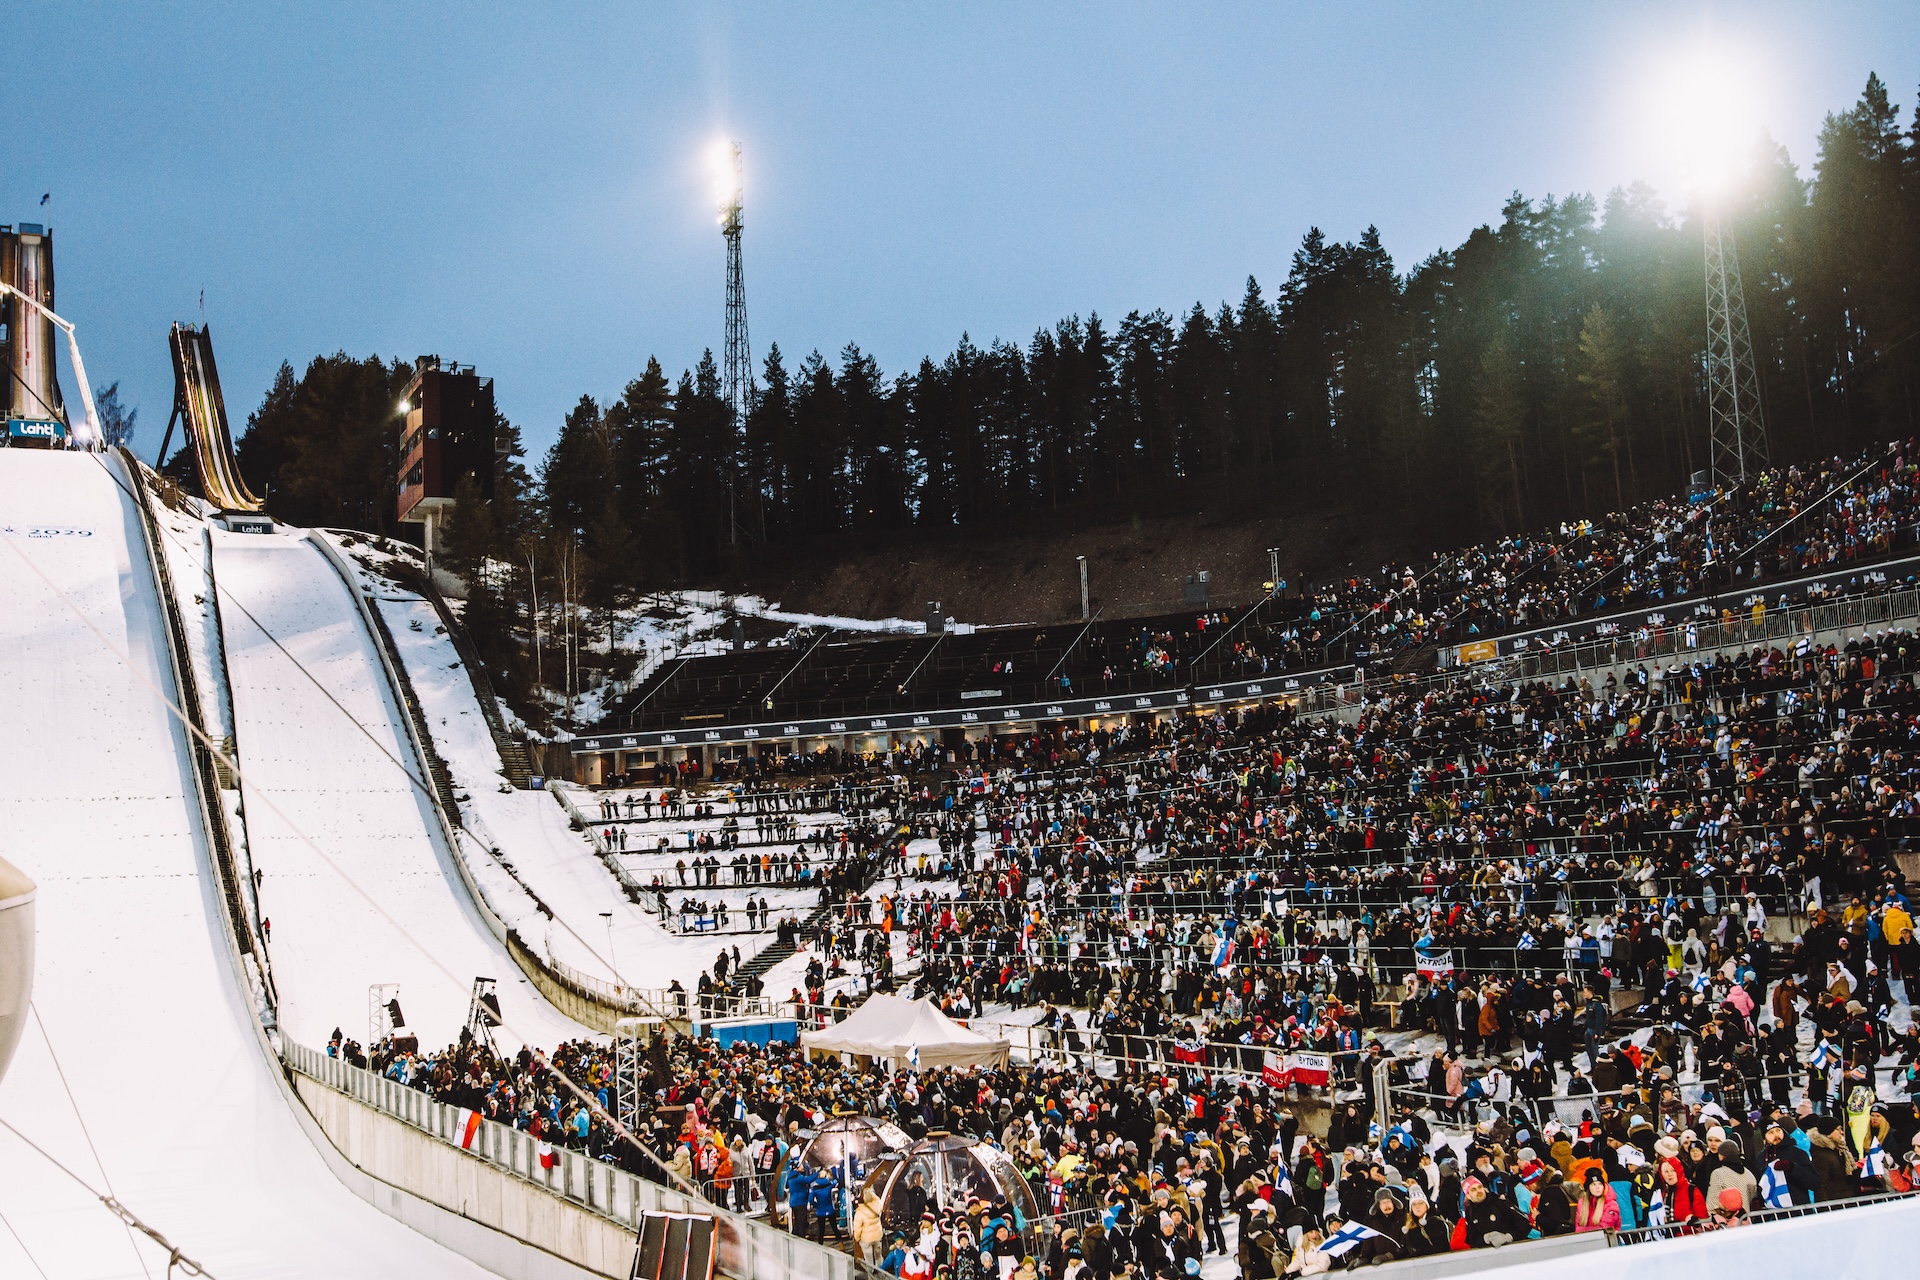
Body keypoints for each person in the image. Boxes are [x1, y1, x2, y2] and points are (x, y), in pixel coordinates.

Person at [1572, 1167, 1621, 1232]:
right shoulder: (1582, 1203)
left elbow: (1605, 1228)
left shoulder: (1611, 1204)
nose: (1597, 1187)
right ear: (1588, 1188)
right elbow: (1577, 1226)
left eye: (1600, 1184)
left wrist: (1582, 1230)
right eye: (1593, 1185)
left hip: (1607, 1240)